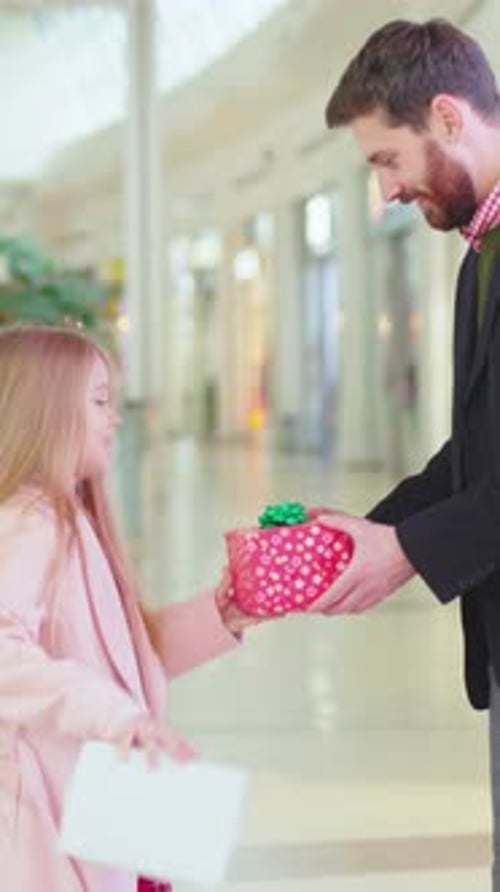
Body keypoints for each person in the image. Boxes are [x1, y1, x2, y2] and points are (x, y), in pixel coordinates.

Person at [308, 17, 500, 888]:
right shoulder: (478, 256)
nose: (383, 191)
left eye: (387, 159)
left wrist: (411, 553)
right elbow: (479, 447)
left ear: (449, 119)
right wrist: (374, 530)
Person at [0, 324, 257, 892]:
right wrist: (119, 718)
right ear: (46, 412)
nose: (114, 418)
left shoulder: (72, 518)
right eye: (97, 401)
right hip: (54, 830)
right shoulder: (29, 522)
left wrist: (226, 611)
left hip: (101, 815)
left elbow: (118, 657)